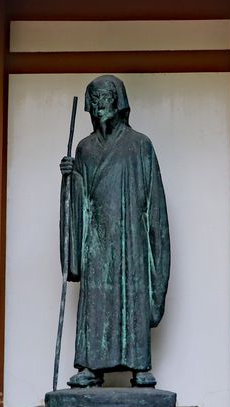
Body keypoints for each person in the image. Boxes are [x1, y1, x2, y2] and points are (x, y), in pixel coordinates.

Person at [59, 75, 171, 388]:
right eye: (94, 99)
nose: (99, 104)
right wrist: (70, 180)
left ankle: (138, 364)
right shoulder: (85, 148)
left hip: (131, 236)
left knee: (132, 293)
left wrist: (152, 238)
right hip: (96, 237)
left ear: (119, 101)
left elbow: (154, 200)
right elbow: (79, 201)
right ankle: (91, 367)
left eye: (105, 96)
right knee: (96, 297)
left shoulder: (140, 145)